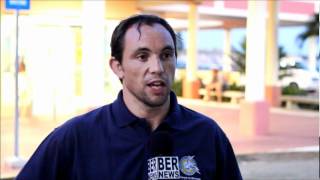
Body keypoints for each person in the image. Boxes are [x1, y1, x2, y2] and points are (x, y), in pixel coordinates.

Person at [17, 14, 242, 180]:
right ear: (118, 67)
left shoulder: (207, 134)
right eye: (142, 56)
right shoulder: (75, 137)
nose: (157, 67)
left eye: (166, 55)